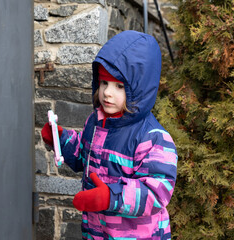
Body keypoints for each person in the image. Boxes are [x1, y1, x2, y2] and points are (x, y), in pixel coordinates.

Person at [41, 30, 177, 240]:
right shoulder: (95, 123)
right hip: (97, 232)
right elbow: (82, 156)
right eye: (104, 83)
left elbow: (156, 193)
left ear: (139, 90)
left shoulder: (153, 138)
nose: (107, 92)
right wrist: (60, 140)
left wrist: (111, 197)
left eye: (119, 86)